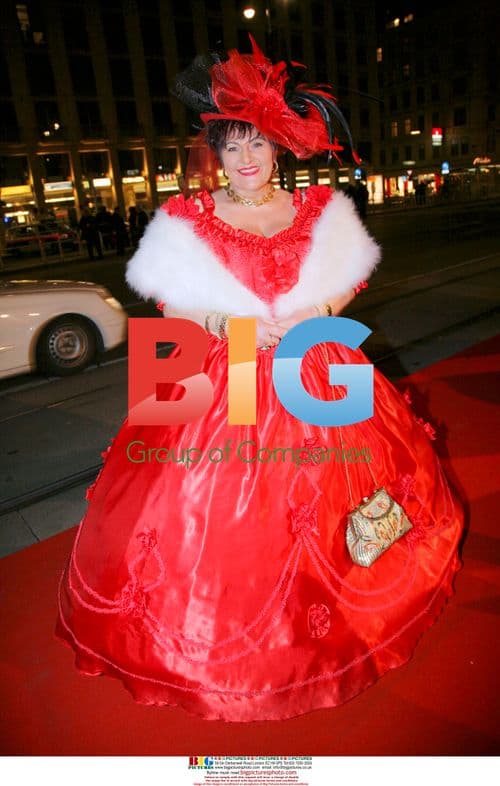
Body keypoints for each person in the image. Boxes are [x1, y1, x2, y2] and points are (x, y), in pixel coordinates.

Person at [57, 38, 463, 722]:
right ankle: (215, 640)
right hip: (222, 372)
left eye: (258, 144)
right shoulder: (189, 217)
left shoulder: (320, 212)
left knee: (348, 490)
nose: (245, 159)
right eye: (233, 145)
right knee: (202, 504)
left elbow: (351, 278)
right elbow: (169, 301)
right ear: (217, 150)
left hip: (316, 361)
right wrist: (224, 322)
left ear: (278, 148)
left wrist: (317, 311)